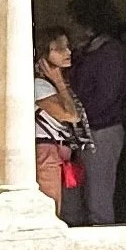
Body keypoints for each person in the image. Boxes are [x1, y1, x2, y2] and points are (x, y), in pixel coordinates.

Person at [67, 0, 126, 227]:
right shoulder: (85, 51)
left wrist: (75, 119)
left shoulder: (112, 53)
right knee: (75, 200)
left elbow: (106, 97)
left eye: (74, 19)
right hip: (81, 132)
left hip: (101, 131)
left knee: (98, 199)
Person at [33, 28, 89, 218]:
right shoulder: (39, 86)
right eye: (59, 49)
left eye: (68, 47)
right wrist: (59, 81)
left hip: (59, 152)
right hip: (46, 152)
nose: (68, 52)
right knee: (50, 209)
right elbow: (71, 115)